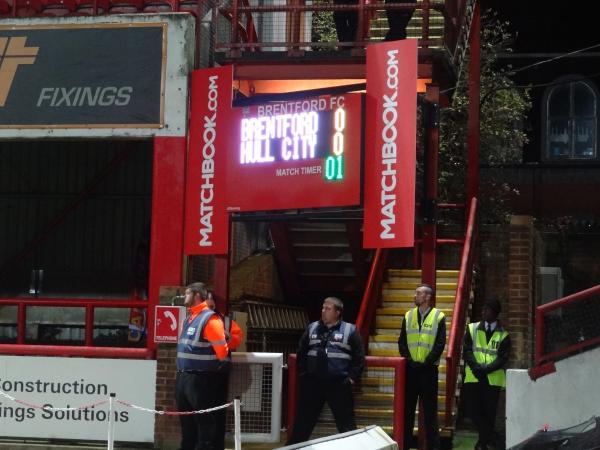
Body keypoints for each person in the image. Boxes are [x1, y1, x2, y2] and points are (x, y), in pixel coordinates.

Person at [287, 297, 365, 444]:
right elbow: (301, 352)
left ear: (338, 312)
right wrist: (304, 375)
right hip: (313, 384)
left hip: (339, 385)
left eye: (328, 309)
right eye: (323, 308)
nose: (323, 311)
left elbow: (359, 357)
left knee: (346, 425)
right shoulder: (312, 328)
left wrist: (351, 378)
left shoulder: (350, 330)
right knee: (302, 424)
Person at [175, 282, 243, 450]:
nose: (185, 297)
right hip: (184, 377)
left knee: (205, 427)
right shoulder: (189, 319)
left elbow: (222, 352)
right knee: (188, 426)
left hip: (201, 380)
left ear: (197, 295)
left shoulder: (210, 319)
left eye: (187, 293)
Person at [398, 284, 445, 450]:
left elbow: (440, 344)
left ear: (427, 297)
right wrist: (410, 361)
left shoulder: (438, 316)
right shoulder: (408, 315)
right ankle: (404, 446)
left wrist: (425, 363)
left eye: (418, 293)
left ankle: (434, 447)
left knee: (430, 414)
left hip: (428, 371)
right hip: (410, 370)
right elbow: (402, 342)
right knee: (407, 412)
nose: (415, 295)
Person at [463, 298, 511, 450]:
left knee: (489, 413)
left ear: (495, 313)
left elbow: (503, 358)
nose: (483, 312)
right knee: (472, 411)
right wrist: (477, 368)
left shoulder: (504, 335)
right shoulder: (472, 328)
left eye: (487, 310)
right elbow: (468, 351)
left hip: (492, 379)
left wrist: (486, 369)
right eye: (483, 309)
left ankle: (482, 444)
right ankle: (491, 436)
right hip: (474, 376)